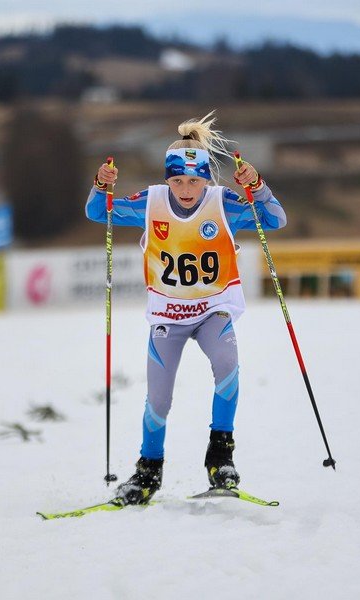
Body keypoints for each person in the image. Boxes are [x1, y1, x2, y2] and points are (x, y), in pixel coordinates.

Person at [85, 111, 287, 505]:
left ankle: (220, 459)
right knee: (159, 399)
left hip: (214, 310)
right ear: (167, 179)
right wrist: (100, 185)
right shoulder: (151, 202)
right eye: (177, 180)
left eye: (194, 180)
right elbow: (97, 212)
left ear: (206, 179)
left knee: (227, 365)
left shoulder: (222, 203)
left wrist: (257, 187)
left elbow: (275, 220)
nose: (186, 189)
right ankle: (147, 471)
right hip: (168, 317)